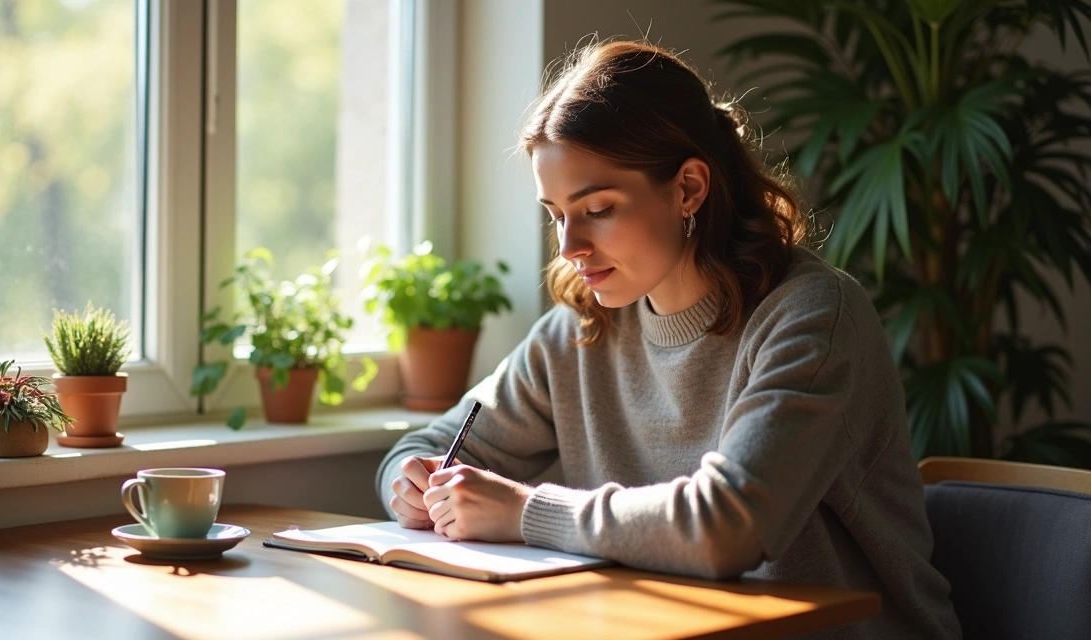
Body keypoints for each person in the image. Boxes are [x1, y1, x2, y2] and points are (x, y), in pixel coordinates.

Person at [375, 40, 960, 639]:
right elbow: (431, 444)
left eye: (597, 208)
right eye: (555, 213)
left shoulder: (811, 316)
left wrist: (527, 513)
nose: (569, 246)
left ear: (688, 189)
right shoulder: (577, 331)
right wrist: (414, 483)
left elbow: (729, 526)